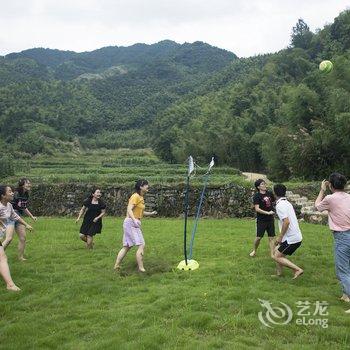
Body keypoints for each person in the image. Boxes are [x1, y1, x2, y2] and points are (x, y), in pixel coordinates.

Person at [315, 173, 350, 311]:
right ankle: (345, 295)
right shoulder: (349, 197)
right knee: (346, 269)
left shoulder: (330, 198)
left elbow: (317, 206)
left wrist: (322, 190)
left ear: (330, 185)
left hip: (342, 237)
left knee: (342, 270)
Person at [114, 180, 157, 272]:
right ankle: (141, 268)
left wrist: (151, 213)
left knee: (127, 246)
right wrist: (134, 220)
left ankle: (116, 266)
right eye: (146, 185)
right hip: (131, 223)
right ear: (141, 187)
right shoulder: (135, 196)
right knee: (141, 245)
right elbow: (129, 209)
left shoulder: (140, 197)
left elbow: (140, 212)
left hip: (131, 222)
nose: (148, 187)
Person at [0, 185, 33, 291]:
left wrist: (26, 224)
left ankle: (9, 285)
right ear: (3, 195)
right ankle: (10, 285)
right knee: (2, 258)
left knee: (2, 258)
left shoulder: (9, 205)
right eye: (10, 191)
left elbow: (15, 216)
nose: (13, 193)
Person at [272, 184, 303, 279]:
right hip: (292, 236)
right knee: (276, 251)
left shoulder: (280, 205)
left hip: (292, 239)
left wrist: (280, 236)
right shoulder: (286, 203)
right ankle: (279, 274)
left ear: (274, 193)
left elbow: (286, 222)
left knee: (277, 256)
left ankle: (297, 269)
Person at [2, 178, 37, 260]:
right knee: (8, 238)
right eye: (27, 183)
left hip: (18, 216)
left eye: (29, 183)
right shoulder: (16, 193)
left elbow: (24, 207)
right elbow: (7, 205)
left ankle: (20, 257)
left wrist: (32, 216)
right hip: (10, 215)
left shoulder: (26, 194)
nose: (29, 184)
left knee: (23, 237)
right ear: (22, 185)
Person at [249, 179, 275, 258]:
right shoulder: (257, 196)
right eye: (262, 184)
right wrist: (267, 213)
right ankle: (254, 250)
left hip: (270, 219)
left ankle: (272, 254)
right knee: (258, 237)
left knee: (271, 237)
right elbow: (257, 209)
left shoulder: (269, 193)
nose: (265, 185)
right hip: (261, 220)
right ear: (258, 187)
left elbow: (273, 201)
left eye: (264, 183)